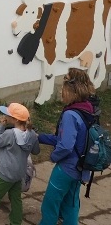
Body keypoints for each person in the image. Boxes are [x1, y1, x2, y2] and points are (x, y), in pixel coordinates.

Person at [38, 78, 95, 225]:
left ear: (71, 93)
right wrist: (40, 137)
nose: (60, 92)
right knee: (71, 204)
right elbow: (67, 138)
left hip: (66, 168)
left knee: (50, 204)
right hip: (81, 168)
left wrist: (53, 156)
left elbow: (65, 146)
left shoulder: (70, 115)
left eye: (63, 90)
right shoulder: (86, 109)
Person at [0, 102, 39, 225]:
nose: (6, 115)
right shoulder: (31, 134)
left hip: (5, 174)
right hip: (19, 173)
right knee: (16, 199)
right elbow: (36, 151)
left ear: (15, 119)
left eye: (8, 114)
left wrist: (1, 126)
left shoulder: (10, 134)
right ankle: (16, 222)